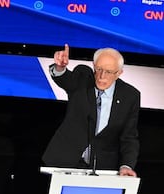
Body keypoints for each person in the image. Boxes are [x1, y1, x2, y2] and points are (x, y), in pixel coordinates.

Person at [42, 44, 140, 176]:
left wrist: (126, 165)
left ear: (118, 73)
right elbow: (66, 80)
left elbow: (129, 137)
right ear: (94, 66)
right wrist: (60, 68)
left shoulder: (130, 96)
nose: (101, 76)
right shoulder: (83, 78)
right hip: (64, 162)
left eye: (109, 72)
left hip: (102, 168)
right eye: (98, 69)